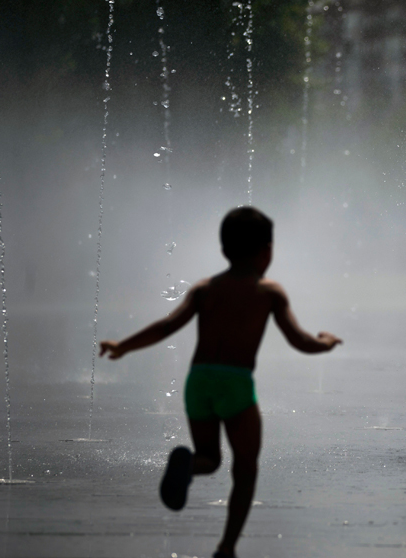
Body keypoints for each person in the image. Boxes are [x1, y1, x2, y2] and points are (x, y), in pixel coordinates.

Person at [99, 207, 342, 558]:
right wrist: (328, 341)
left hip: (198, 382)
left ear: (224, 249)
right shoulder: (269, 291)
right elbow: (300, 342)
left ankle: (189, 466)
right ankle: (226, 547)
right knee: (244, 468)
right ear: (267, 251)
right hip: (236, 384)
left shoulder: (204, 289)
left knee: (208, 457)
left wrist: (123, 346)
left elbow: (166, 326)